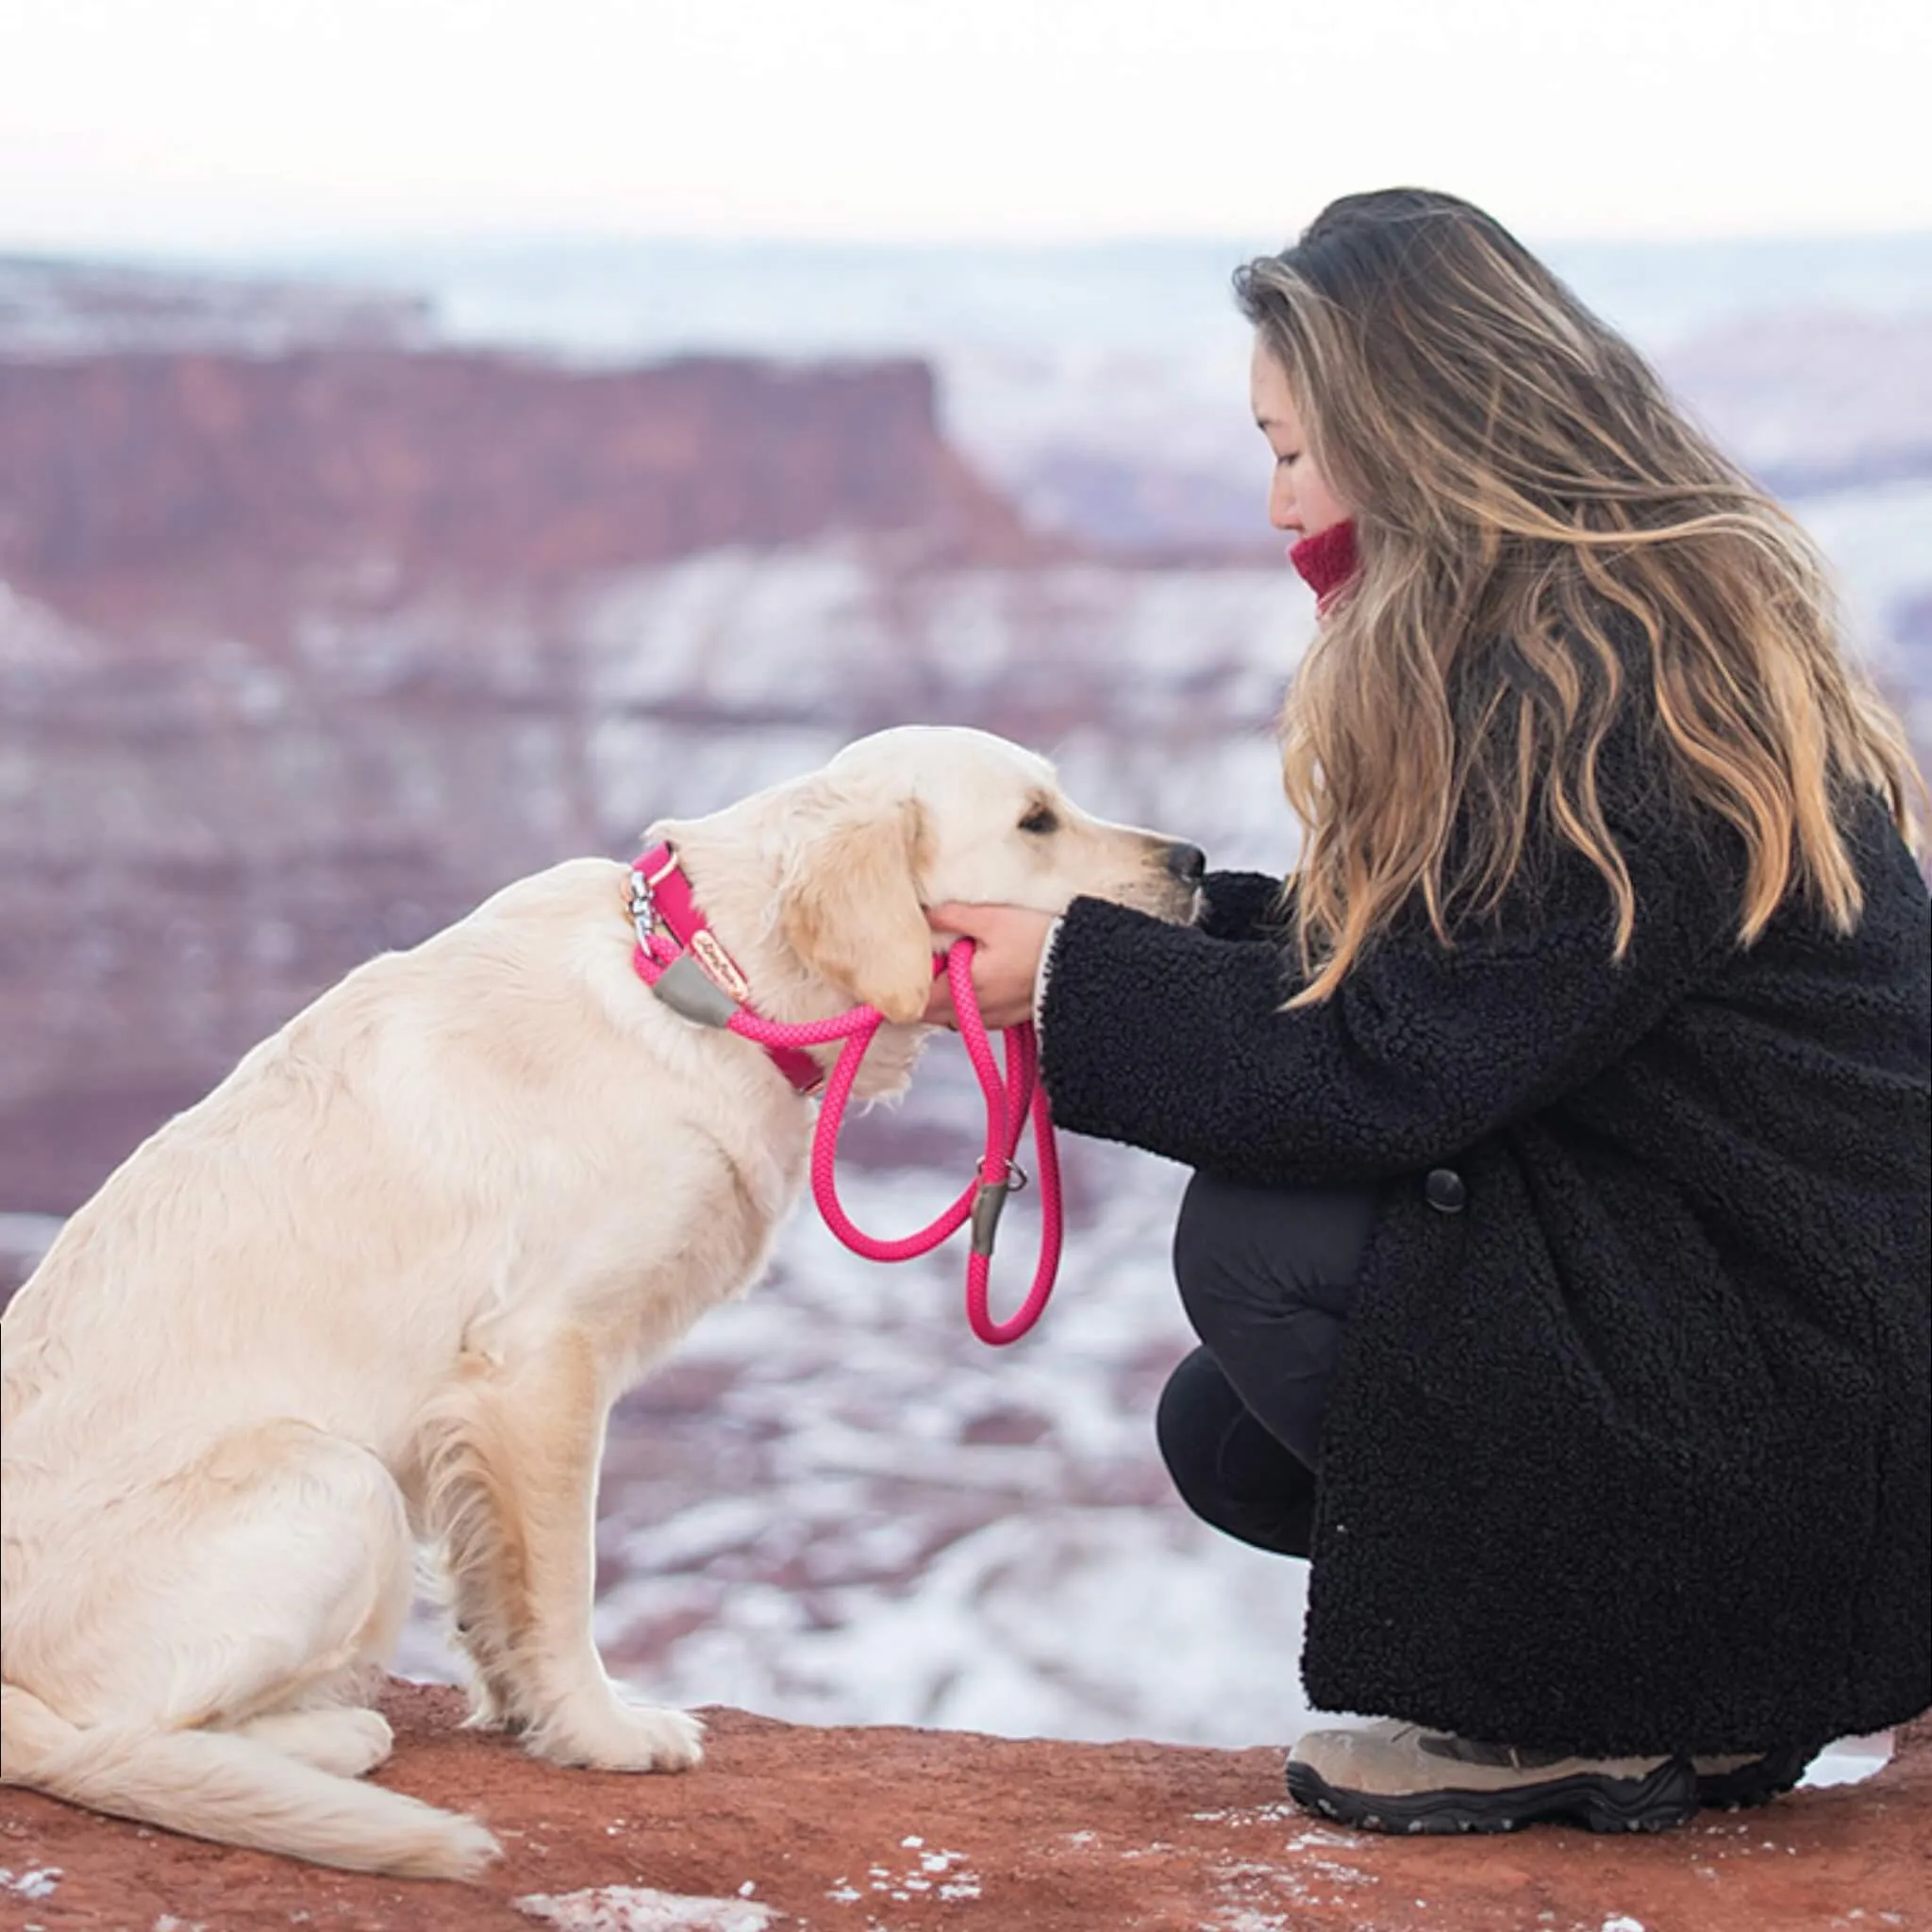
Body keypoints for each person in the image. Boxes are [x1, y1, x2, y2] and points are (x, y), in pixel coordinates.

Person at [924, 188, 1931, 1836]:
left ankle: (1612, 1709)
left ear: (1417, 432)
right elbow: (1456, 973)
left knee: (1256, 1245)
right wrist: (1131, 926)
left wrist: (1078, 982)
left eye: (1299, 451)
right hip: (1768, 1313)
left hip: (1802, 1372)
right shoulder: (1608, 622)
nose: (1279, 504)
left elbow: (1389, 1070)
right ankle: (1689, 1672)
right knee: (1235, 1434)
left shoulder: (1612, 694)